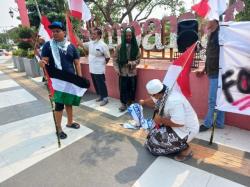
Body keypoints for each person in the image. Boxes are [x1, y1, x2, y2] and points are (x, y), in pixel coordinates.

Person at [39, 21, 82, 139]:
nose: (55, 34)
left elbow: (77, 63)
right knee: (59, 105)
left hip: (70, 80)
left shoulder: (71, 46)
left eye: (57, 31)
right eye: (53, 32)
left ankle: (69, 122)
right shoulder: (48, 45)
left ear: (64, 32)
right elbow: (44, 61)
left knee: (69, 102)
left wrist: (79, 79)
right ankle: (58, 128)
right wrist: (41, 63)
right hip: (56, 81)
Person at [140, 79, 199, 161]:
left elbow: (180, 123)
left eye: (152, 95)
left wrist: (161, 120)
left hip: (186, 130)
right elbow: (152, 101)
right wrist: (142, 102)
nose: (152, 97)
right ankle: (174, 145)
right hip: (175, 125)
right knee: (151, 137)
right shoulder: (164, 92)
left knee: (154, 148)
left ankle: (185, 149)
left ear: (156, 94)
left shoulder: (174, 101)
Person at [196, 20, 225, 132]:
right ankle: (220, 123)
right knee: (219, 99)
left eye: (210, 20)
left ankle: (208, 124)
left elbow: (222, 54)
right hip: (213, 72)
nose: (207, 21)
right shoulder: (212, 35)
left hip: (219, 73)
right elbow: (210, 56)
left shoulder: (219, 35)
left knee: (213, 99)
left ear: (216, 22)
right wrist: (203, 70)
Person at [78, 27, 110, 106]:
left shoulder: (103, 45)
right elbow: (81, 44)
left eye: (94, 34)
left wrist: (102, 64)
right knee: (96, 83)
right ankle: (101, 96)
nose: (92, 35)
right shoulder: (90, 43)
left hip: (99, 68)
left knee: (101, 83)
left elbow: (108, 57)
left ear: (99, 35)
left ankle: (105, 98)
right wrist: (74, 34)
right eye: (92, 34)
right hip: (92, 68)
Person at [113, 27, 140, 112]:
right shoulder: (119, 47)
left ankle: (130, 102)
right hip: (123, 72)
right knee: (123, 88)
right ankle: (123, 103)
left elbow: (138, 60)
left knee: (132, 88)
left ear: (132, 36)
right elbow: (115, 59)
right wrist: (117, 69)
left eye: (130, 36)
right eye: (127, 36)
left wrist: (131, 63)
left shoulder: (136, 47)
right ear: (124, 36)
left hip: (132, 72)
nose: (128, 37)